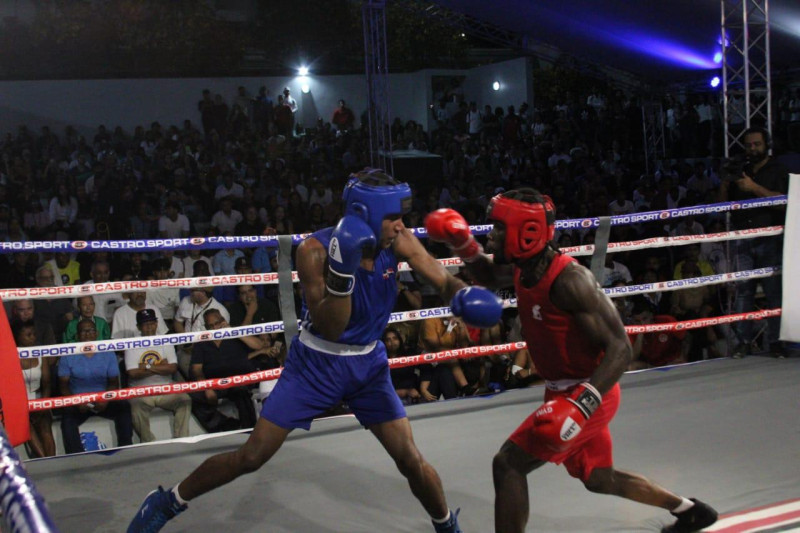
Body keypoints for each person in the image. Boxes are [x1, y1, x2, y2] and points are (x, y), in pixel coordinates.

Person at [128, 169, 503, 532]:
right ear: (365, 214)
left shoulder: (399, 240)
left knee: (409, 458)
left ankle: (447, 526)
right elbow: (331, 325)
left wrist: (463, 297)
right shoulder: (314, 251)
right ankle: (166, 501)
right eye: (392, 217)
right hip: (315, 366)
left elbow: (439, 276)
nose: (401, 225)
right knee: (252, 456)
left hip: (369, 366)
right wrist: (343, 272)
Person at [424, 188, 718, 533]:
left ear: (526, 232)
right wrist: (463, 245)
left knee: (508, 464)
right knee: (598, 478)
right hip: (563, 391)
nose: (493, 234)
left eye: (500, 227)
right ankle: (689, 510)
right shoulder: (524, 267)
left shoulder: (570, 280)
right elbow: (489, 277)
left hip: (591, 392)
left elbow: (620, 347)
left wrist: (582, 403)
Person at [718, 126, 789, 357]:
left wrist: (753, 187)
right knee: (743, 291)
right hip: (742, 237)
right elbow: (720, 206)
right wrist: (725, 182)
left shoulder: (778, 169)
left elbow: (783, 202)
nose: (752, 149)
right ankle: (743, 342)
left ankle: (776, 342)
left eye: (757, 144)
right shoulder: (741, 169)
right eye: (748, 145)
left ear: (766, 144)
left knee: (773, 291)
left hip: (769, 237)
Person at [59, 319, 133, 454]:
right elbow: (63, 385)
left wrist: (106, 398)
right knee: (68, 418)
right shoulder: (68, 354)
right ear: (77, 335)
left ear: (97, 333)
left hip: (102, 399)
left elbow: (113, 382)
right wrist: (76, 401)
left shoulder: (107, 352)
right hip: (79, 402)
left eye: (91, 331)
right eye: (84, 331)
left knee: (124, 407)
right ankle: (77, 456)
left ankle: (126, 449)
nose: (88, 334)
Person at [124, 309, 191, 442]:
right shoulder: (131, 343)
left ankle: (181, 440)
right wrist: (161, 365)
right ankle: (149, 443)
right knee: (136, 407)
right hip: (141, 391)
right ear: (138, 327)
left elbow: (172, 368)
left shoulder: (165, 340)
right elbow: (133, 372)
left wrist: (147, 366)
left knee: (185, 400)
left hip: (165, 388)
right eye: (145, 323)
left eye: (152, 322)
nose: (149, 326)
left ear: (157, 323)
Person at [13, 320, 56, 458]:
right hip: (19, 404)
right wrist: (23, 408)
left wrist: (43, 405)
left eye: (34, 334)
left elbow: (47, 383)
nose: (33, 337)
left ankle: (52, 462)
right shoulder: (12, 355)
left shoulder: (40, 352)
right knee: (27, 427)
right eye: (28, 335)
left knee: (45, 428)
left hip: (39, 401)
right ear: (18, 337)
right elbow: (12, 389)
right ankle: (44, 461)